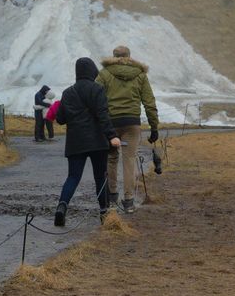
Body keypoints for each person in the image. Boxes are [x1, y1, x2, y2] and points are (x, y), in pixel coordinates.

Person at [52, 54, 119, 227]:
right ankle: (104, 212)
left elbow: (60, 119)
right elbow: (103, 115)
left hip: (76, 142)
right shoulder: (97, 90)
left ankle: (62, 206)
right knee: (100, 177)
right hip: (97, 142)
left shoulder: (68, 93)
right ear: (91, 71)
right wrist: (112, 136)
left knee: (73, 177)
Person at [103, 43, 163, 198]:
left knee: (111, 158)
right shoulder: (140, 75)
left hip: (111, 123)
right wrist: (154, 127)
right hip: (132, 123)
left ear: (114, 57)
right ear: (129, 57)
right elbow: (149, 103)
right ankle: (128, 200)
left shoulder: (104, 74)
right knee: (129, 160)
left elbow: (97, 99)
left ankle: (112, 195)